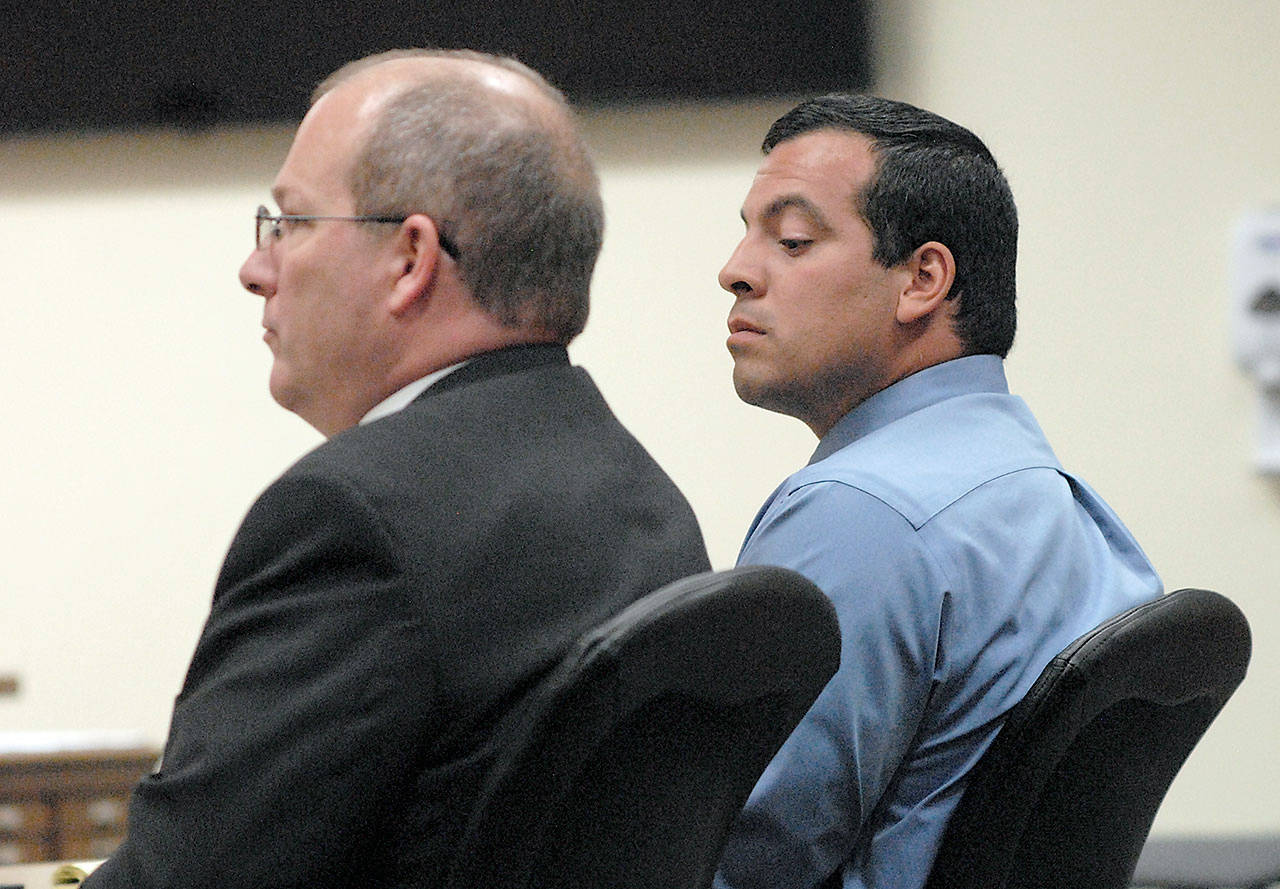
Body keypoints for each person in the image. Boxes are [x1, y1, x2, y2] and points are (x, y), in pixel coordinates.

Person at [83, 49, 710, 889]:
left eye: (292, 222)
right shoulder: (634, 488)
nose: (255, 267)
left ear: (410, 259)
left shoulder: (352, 517)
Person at [711, 94, 1162, 889]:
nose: (735, 270)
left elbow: (734, 857)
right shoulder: (1045, 487)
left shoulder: (862, 511)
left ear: (923, 278)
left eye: (791, 239)